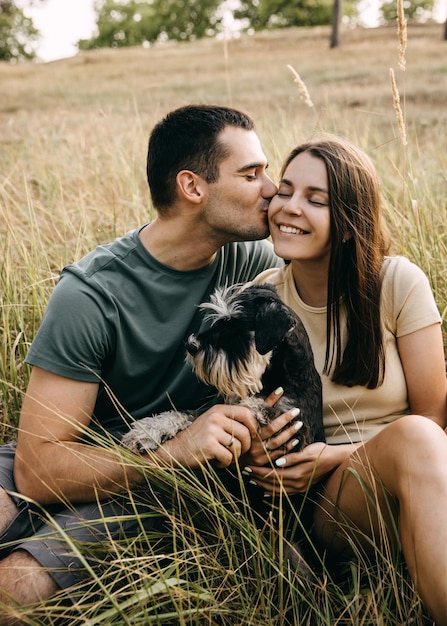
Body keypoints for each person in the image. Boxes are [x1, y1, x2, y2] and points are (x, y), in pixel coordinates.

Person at [0, 104, 300, 618]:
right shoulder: (92, 294)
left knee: (14, 587)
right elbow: (37, 467)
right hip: (93, 456)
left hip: (157, 493)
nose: (271, 188)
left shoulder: (258, 264)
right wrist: (174, 451)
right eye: (252, 174)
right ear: (192, 187)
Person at [243, 135, 447, 624]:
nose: (289, 208)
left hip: (419, 473)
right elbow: (251, 411)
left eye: (316, 200)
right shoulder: (261, 301)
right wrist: (257, 448)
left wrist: (336, 455)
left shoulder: (397, 282)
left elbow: (435, 415)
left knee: (419, 435)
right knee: (416, 439)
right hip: (332, 504)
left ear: (351, 222)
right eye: (285, 190)